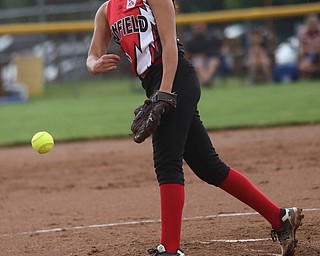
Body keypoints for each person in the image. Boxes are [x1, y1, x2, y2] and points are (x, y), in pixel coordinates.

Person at [86, 1, 304, 255]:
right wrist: (94, 64)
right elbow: (92, 54)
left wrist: (165, 93)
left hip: (175, 77)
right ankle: (280, 218)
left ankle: (169, 249)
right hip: (156, 85)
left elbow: (169, 45)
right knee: (208, 167)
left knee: (167, 162)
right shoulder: (106, 10)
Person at [185, 22, 222, 87]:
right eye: (197, 28)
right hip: (196, 59)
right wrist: (197, 55)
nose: (199, 29)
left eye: (200, 28)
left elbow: (215, 51)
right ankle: (207, 81)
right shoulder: (191, 39)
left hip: (209, 57)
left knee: (214, 62)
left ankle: (205, 81)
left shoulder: (210, 37)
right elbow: (188, 53)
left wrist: (205, 55)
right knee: (199, 63)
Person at [298, 14, 320, 79]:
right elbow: (303, 49)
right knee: (304, 66)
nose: (312, 25)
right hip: (308, 55)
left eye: (314, 23)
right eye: (310, 23)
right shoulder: (303, 33)